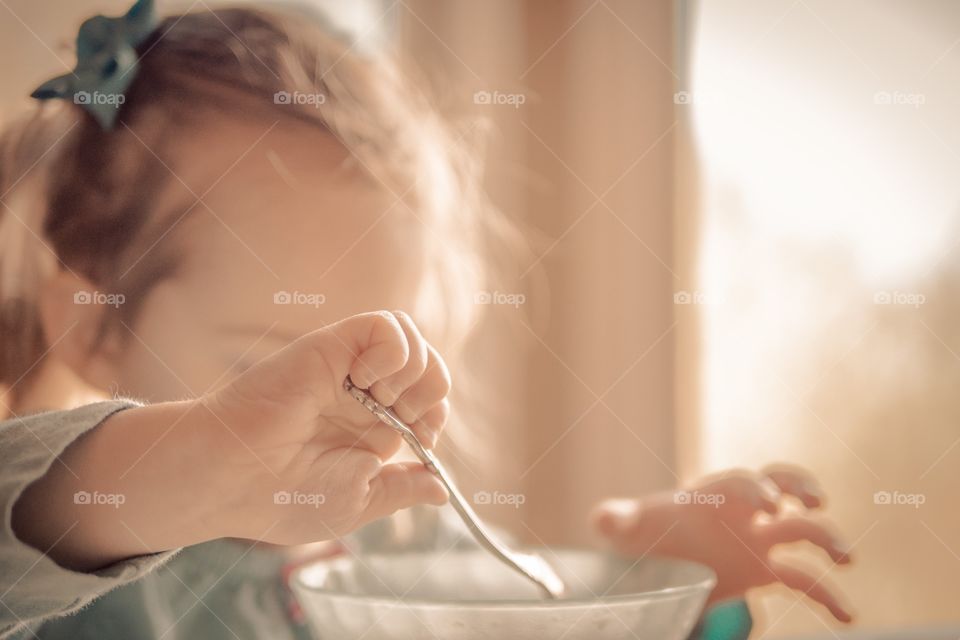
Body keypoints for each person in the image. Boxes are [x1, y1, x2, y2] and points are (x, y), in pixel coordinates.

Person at [0, 2, 852, 638]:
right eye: (260, 367)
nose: (333, 422)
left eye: (378, 382)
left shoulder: (412, 548)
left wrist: (665, 587)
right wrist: (161, 477)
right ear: (93, 326)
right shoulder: (65, 541)